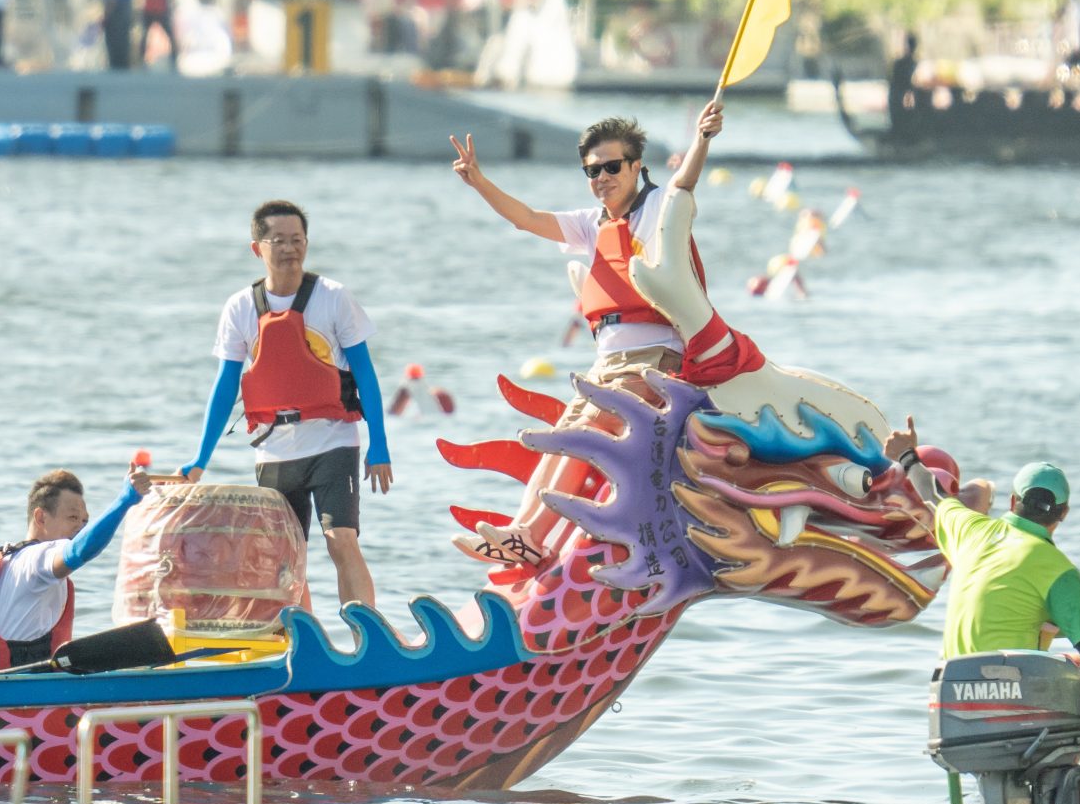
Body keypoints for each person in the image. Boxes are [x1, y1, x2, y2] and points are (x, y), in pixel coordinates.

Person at [448, 105, 724, 564]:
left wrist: (703, 138)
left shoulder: (658, 207)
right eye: (592, 170)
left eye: (613, 167)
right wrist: (479, 181)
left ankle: (532, 536)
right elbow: (527, 219)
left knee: (582, 433)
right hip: (607, 366)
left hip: (655, 362)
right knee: (563, 435)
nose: (602, 177)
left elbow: (685, 183)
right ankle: (522, 533)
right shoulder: (592, 223)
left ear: (637, 166)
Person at [882, 423, 1080, 752]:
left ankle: (1072, 775)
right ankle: (1055, 764)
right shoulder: (1057, 569)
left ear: (1013, 501)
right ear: (1064, 513)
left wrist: (907, 456)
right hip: (1012, 712)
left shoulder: (969, 529)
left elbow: (933, 494)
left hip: (950, 711)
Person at [181, 199, 389, 607]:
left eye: (298, 240)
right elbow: (225, 386)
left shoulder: (333, 297)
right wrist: (199, 459)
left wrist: (379, 444)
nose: (290, 248)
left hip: (333, 441)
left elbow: (366, 373)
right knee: (286, 558)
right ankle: (305, 643)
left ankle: (366, 635)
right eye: (279, 240)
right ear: (257, 248)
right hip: (274, 448)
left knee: (340, 539)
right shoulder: (240, 307)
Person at [0, 461, 151, 671]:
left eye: (85, 522)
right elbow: (80, 551)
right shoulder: (36, 559)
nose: (80, 528)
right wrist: (125, 501)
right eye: (72, 518)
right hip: (23, 692)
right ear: (41, 517)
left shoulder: (9, 560)